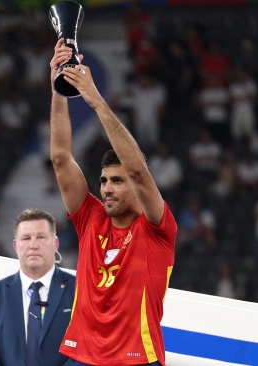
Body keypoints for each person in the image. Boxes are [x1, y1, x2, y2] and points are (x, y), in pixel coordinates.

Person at [49, 39, 177, 366]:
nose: (106, 188)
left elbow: (135, 167)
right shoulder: (90, 217)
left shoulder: (157, 228)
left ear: (136, 187)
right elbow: (62, 159)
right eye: (104, 180)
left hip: (137, 359)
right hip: (81, 356)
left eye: (117, 181)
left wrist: (94, 99)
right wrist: (58, 89)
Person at [0, 208, 75, 366]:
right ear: (16, 245)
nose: (33, 245)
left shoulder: (78, 290)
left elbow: (86, 346)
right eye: (26, 238)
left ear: (55, 243)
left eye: (41, 237)